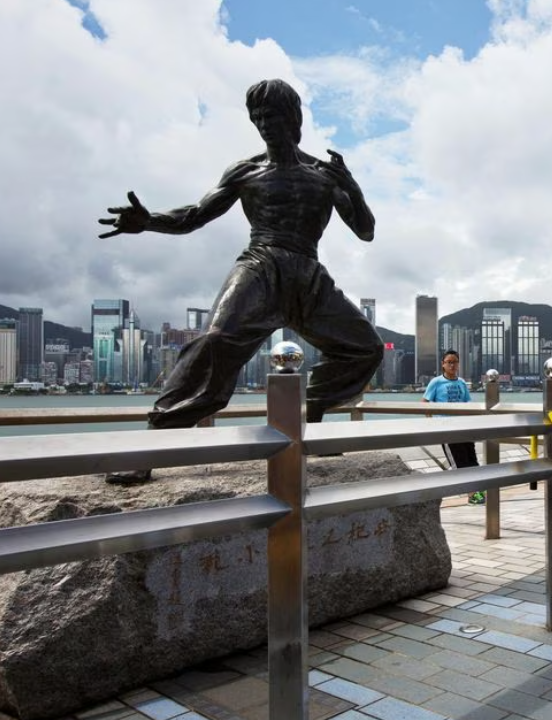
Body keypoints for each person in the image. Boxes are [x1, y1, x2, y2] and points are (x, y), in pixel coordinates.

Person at [98, 79, 383, 484]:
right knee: (214, 341)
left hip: (307, 271)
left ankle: (311, 414)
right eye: (259, 117)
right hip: (260, 264)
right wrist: (149, 222)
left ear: (294, 118)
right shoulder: (246, 171)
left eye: (274, 116)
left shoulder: (325, 175)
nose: (266, 124)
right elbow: (195, 215)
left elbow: (365, 231)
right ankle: (153, 446)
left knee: (365, 348)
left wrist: (352, 185)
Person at [423, 350, 483, 504]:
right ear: (443, 364)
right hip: (446, 429)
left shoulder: (462, 382)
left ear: (458, 364)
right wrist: (431, 423)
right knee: (458, 462)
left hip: (463, 428)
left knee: (472, 460)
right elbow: (424, 403)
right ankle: (471, 494)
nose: (452, 365)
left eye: (455, 362)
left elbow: (467, 405)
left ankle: (476, 491)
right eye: (448, 362)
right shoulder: (436, 382)